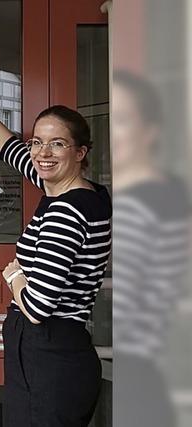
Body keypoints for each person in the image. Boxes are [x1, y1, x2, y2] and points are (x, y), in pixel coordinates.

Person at [0, 58, 111, 426]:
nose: (43, 153)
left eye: (57, 144)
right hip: (51, 357)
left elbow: (37, 305)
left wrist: (14, 276)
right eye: (38, 142)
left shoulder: (67, 210)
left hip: (50, 358)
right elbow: (9, 148)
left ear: (80, 153)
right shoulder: (76, 190)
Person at [112, 70, 190, 427]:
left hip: (133, 376)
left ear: (151, 131)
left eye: (122, 120)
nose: (111, 132)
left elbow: (120, 312)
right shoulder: (170, 193)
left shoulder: (137, 206)